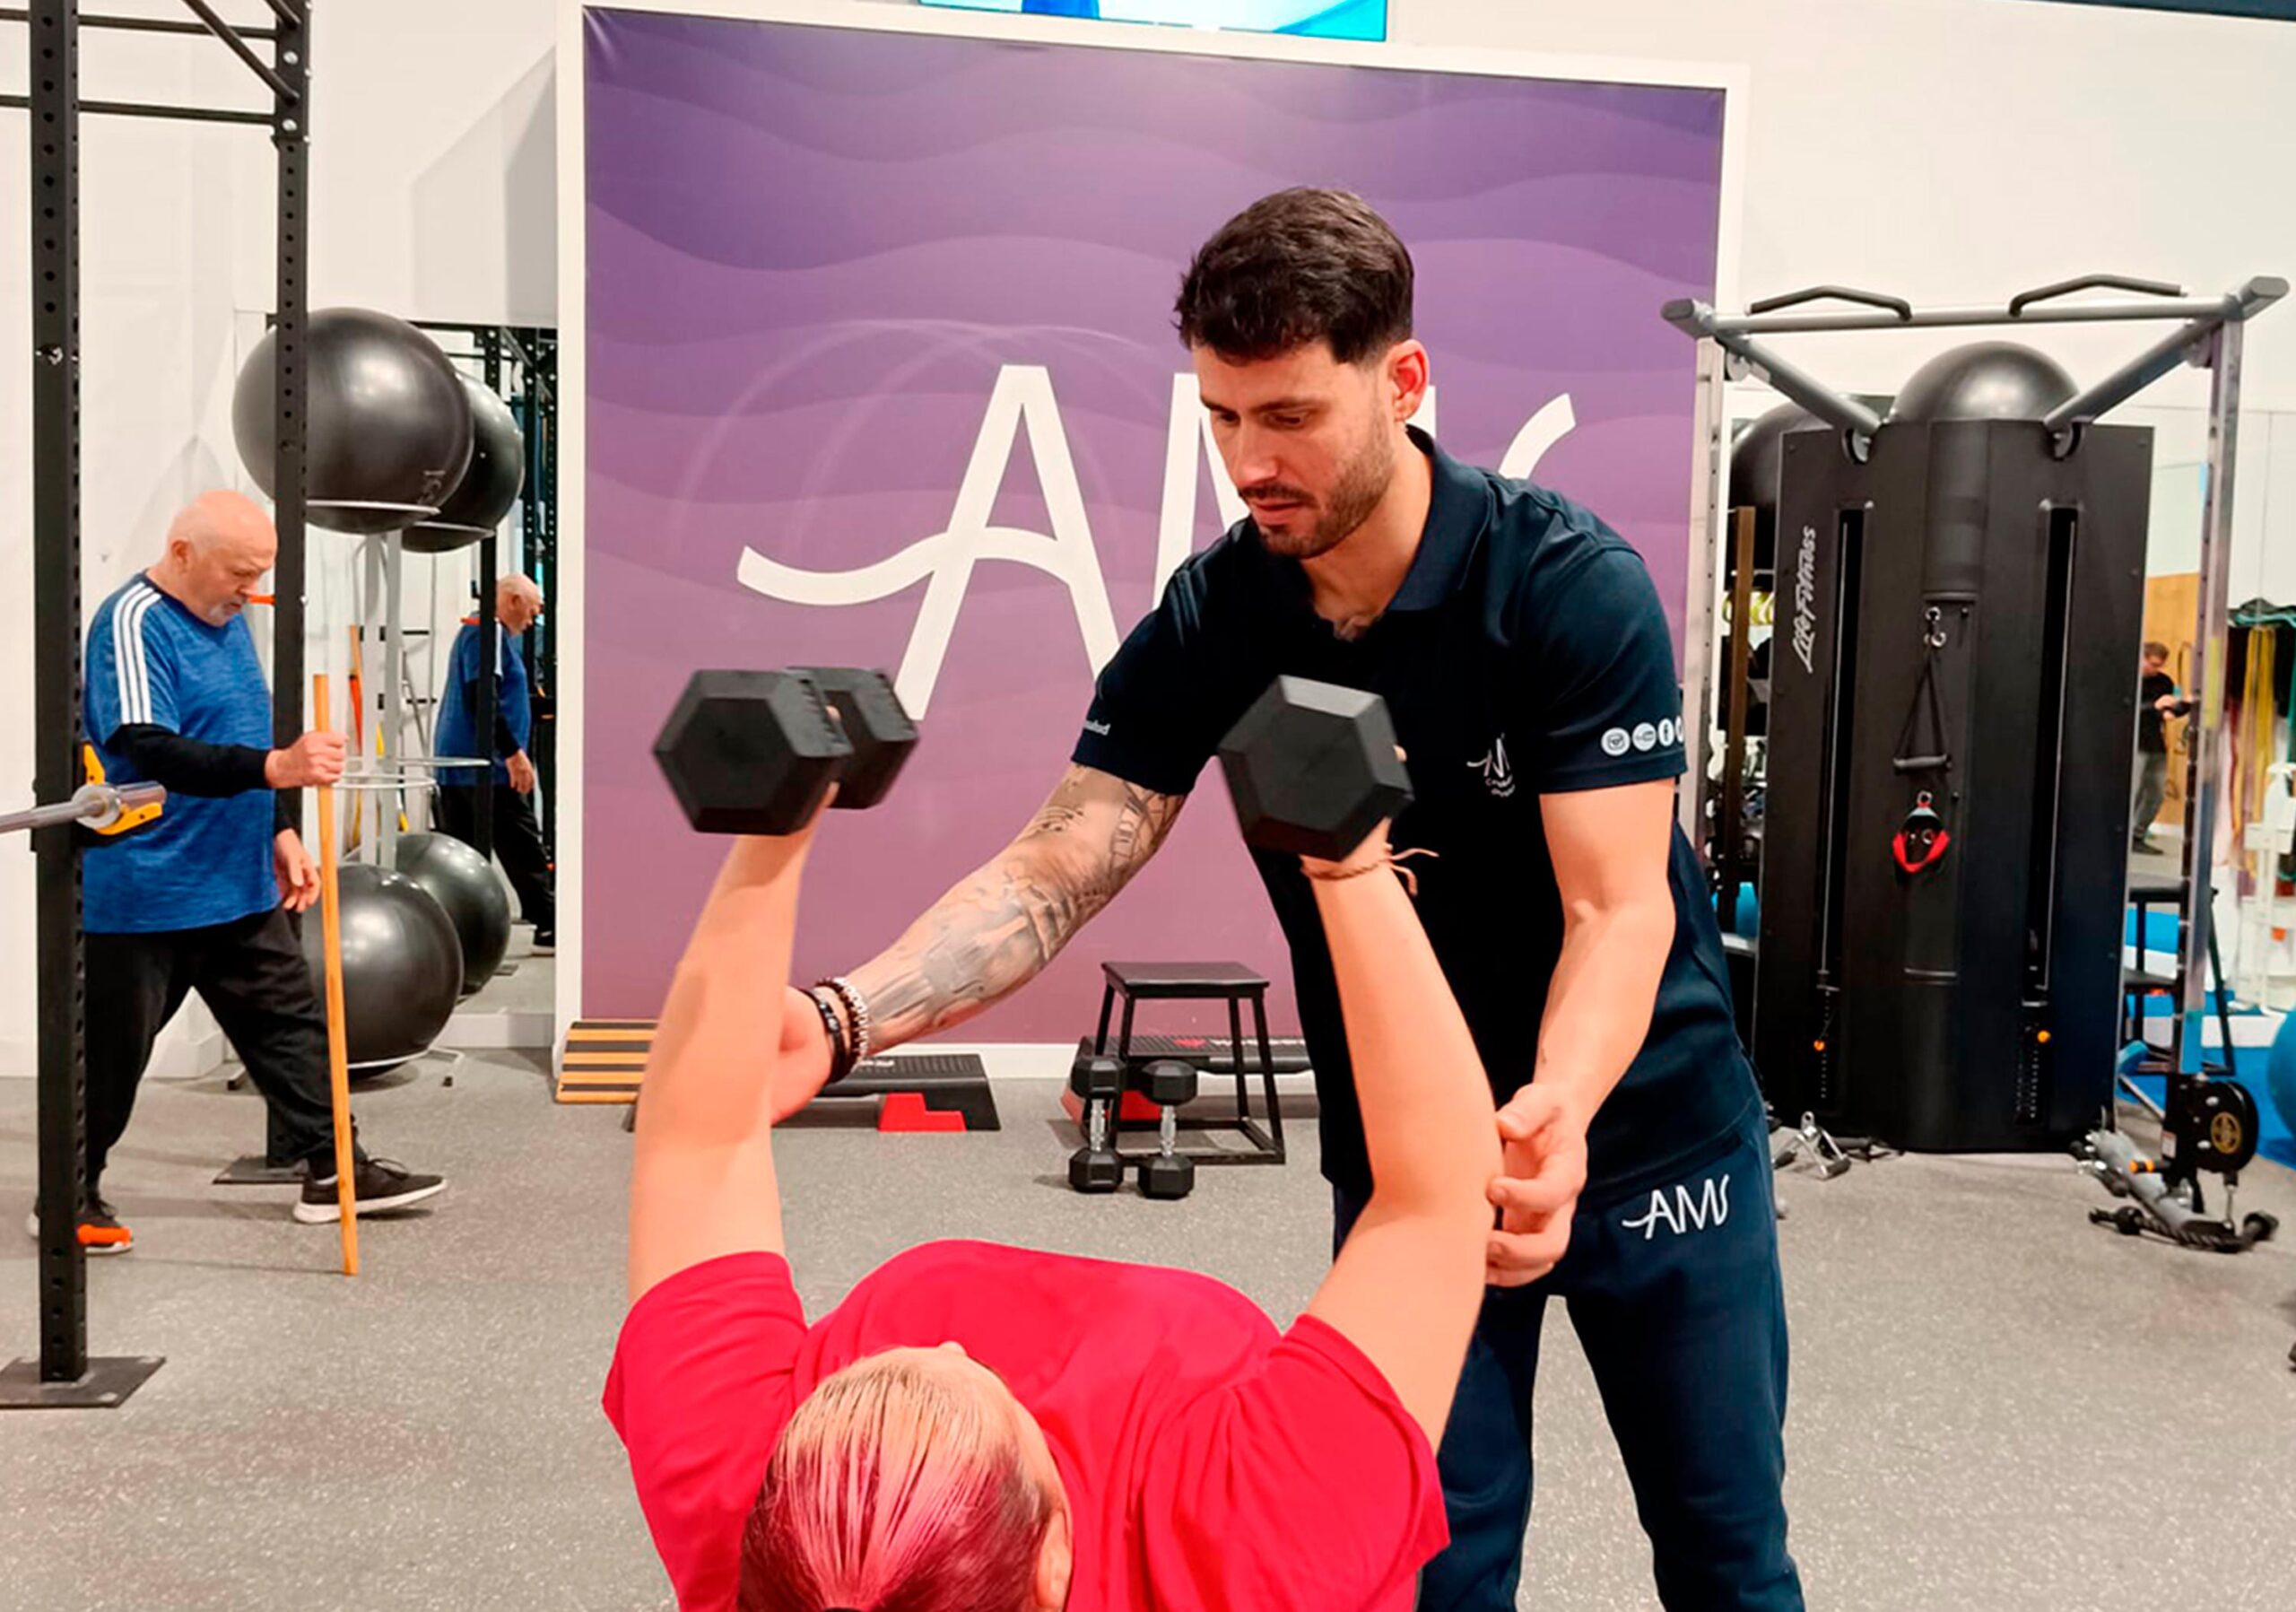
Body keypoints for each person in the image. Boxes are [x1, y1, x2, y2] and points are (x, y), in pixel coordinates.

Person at [788, 190, 1799, 1610]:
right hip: (1409, 1163)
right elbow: (1066, 857)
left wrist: (1558, 1111)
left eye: (1288, 416)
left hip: (1642, 1139)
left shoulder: (1568, 588)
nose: (1250, 463)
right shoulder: (1222, 615)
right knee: (1425, 1568)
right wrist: (844, 1018)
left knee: (1726, 1558)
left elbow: (1618, 911)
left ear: (1403, 382)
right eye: (1221, 418)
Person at [608, 785, 1572, 1611]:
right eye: (978, 1389)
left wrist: (769, 836)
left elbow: (700, 1140)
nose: (946, 1344)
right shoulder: (1254, 1553)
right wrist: (1348, 867)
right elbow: (1431, 1205)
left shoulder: (760, 1525)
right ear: (1052, 1566)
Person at [48, 491, 447, 1253]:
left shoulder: (228, 619)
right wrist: (277, 768)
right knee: (109, 1060)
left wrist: (281, 829)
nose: (248, 590)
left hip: (235, 881)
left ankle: (336, 1169)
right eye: (239, 572)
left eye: (258, 575)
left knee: (292, 1032)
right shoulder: (132, 622)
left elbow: (238, 728)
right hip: (146, 891)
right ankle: (70, 1190)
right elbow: (148, 744)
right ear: (183, 554)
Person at [432, 573, 554, 952]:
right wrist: (514, 754)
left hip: (470, 764)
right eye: (531, 612)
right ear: (514, 601)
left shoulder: (485, 633)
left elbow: (500, 696)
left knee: (467, 856)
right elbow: (483, 696)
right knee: (522, 846)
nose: (531, 622)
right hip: (484, 767)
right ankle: (548, 922)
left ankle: (463, 935)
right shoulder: (486, 632)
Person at [2134, 640, 2190, 851]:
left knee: (2156, 793)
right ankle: (2123, 835)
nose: (2155, 669)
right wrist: (2154, 706)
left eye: (2159, 665)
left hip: (2155, 743)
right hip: (2134, 742)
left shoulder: (2164, 682)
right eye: (2152, 664)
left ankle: (2137, 834)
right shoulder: (2129, 678)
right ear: (2142, 658)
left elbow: (2168, 712)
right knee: (2134, 790)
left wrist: (2183, 705)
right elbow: (2127, 708)